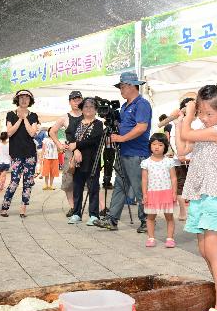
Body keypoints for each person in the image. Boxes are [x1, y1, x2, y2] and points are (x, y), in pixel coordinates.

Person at [176, 84, 217, 311]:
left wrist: (188, 116)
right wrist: (185, 119)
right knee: (203, 250)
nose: (204, 117)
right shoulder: (203, 129)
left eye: (209, 113)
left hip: (215, 195)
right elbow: (182, 148)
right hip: (201, 195)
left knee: (214, 252)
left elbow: (187, 135)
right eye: (201, 112)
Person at [94, 72, 152, 231]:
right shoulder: (125, 106)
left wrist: (122, 138)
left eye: (123, 86)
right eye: (120, 86)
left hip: (136, 153)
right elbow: (122, 128)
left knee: (139, 188)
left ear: (133, 86)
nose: (121, 90)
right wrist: (114, 132)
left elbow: (142, 127)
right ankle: (112, 220)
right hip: (124, 152)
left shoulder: (142, 104)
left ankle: (147, 221)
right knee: (120, 186)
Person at [1, 90, 39, 218]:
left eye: (27, 98)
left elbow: (32, 133)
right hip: (16, 153)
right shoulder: (10, 115)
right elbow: (9, 132)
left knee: (28, 182)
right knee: (14, 181)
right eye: (21, 98)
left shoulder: (33, 116)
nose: (24, 100)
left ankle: (23, 209)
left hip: (30, 154)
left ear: (30, 101)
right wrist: (20, 119)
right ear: (17, 100)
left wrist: (25, 119)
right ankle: (4, 207)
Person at [65, 98, 104, 225]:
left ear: (96, 110)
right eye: (86, 106)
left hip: (92, 160)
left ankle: (94, 215)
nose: (88, 109)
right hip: (77, 161)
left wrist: (76, 145)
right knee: (77, 188)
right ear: (82, 108)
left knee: (93, 188)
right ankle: (76, 213)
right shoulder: (76, 122)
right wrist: (75, 150)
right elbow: (69, 135)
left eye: (92, 106)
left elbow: (93, 140)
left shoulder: (98, 124)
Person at [49, 91, 83, 216]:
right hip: (70, 152)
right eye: (74, 100)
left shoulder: (88, 114)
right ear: (70, 102)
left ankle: (99, 208)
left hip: (86, 151)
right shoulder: (64, 117)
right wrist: (59, 145)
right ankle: (73, 207)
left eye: (79, 99)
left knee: (90, 181)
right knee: (68, 181)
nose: (76, 102)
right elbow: (52, 132)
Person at [140, 132, 177, 248]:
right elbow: (144, 180)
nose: (157, 147)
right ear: (150, 146)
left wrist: (174, 192)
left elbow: (174, 178)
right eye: (154, 144)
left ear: (165, 147)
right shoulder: (146, 163)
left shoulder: (169, 161)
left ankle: (170, 238)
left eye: (160, 145)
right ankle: (151, 238)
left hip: (167, 192)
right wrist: (144, 194)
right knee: (150, 217)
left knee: (169, 217)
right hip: (152, 193)